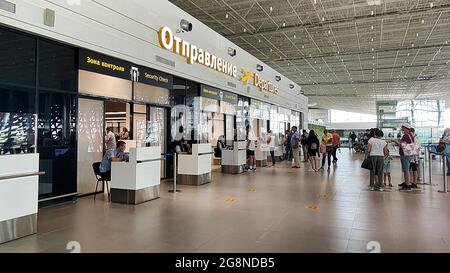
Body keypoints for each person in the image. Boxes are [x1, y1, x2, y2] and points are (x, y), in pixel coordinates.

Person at [394, 124, 415, 191]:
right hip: (408, 154)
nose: (402, 129)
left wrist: (395, 142)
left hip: (405, 154)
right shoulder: (411, 135)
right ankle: (407, 182)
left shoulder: (406, 136)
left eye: (403, 128)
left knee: (406, 170)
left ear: (406, 128)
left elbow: (402, 145)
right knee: (407, 169)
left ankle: (408, 184)